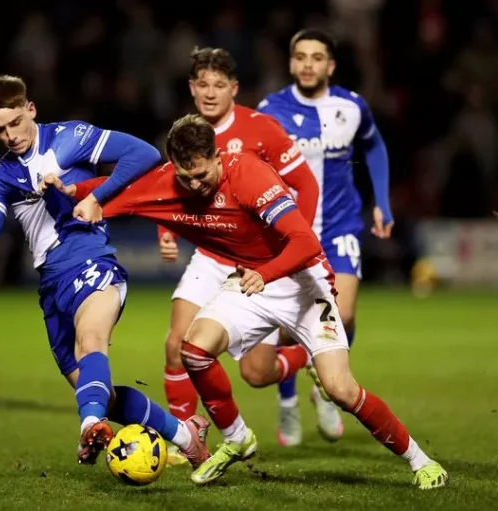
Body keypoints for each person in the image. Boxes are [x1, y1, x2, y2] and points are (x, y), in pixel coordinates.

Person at [49, 114, 447, 489]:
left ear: (218, 157)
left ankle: (420, 460)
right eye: (186, 177)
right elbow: (113, 194)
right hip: (250, 282)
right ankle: (237, 438)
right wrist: (76, 191)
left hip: (301, 281)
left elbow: (305, 243)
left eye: (203, 174)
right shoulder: (169, 183)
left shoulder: (250, 175)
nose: (196, 185)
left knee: (341, 389)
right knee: (193, 349)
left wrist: (266, 273)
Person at [0, 75, 210, 467]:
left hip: (93, 262)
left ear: (31, 110)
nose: (10, 136)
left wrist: (95, 196)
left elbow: (143, 154)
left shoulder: (71, 137)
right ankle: (185, 435)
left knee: (91, 342)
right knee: (99, 392)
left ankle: (89, 426)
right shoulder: (1, 178)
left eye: (15, 123)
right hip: (52, 286)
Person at [158, 47, 320, 451]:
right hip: (213, 256)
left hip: (256, 260)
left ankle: (308, 357)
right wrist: (168, 230)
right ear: (192, 88)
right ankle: (186, 441)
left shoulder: (260, 129)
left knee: (256, 373)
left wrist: (292, 240)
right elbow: (170, 191)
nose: (210, 94)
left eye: (218, 85)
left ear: (234, 88)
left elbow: (307, 185)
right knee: (176, 344)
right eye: (202, 85)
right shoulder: (185, 135)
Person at [258, 28, 395, 442]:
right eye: (301, 56)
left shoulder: (351, 107)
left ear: (330, 65)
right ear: (291, 62)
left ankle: (322, 380)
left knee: (345, 314)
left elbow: (374, 146)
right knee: (286, 325)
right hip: (287, 231)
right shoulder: (270, 110)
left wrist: (382, 202)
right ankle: (287, 403)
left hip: (338, 228)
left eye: (317, 57)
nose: (308, 64)